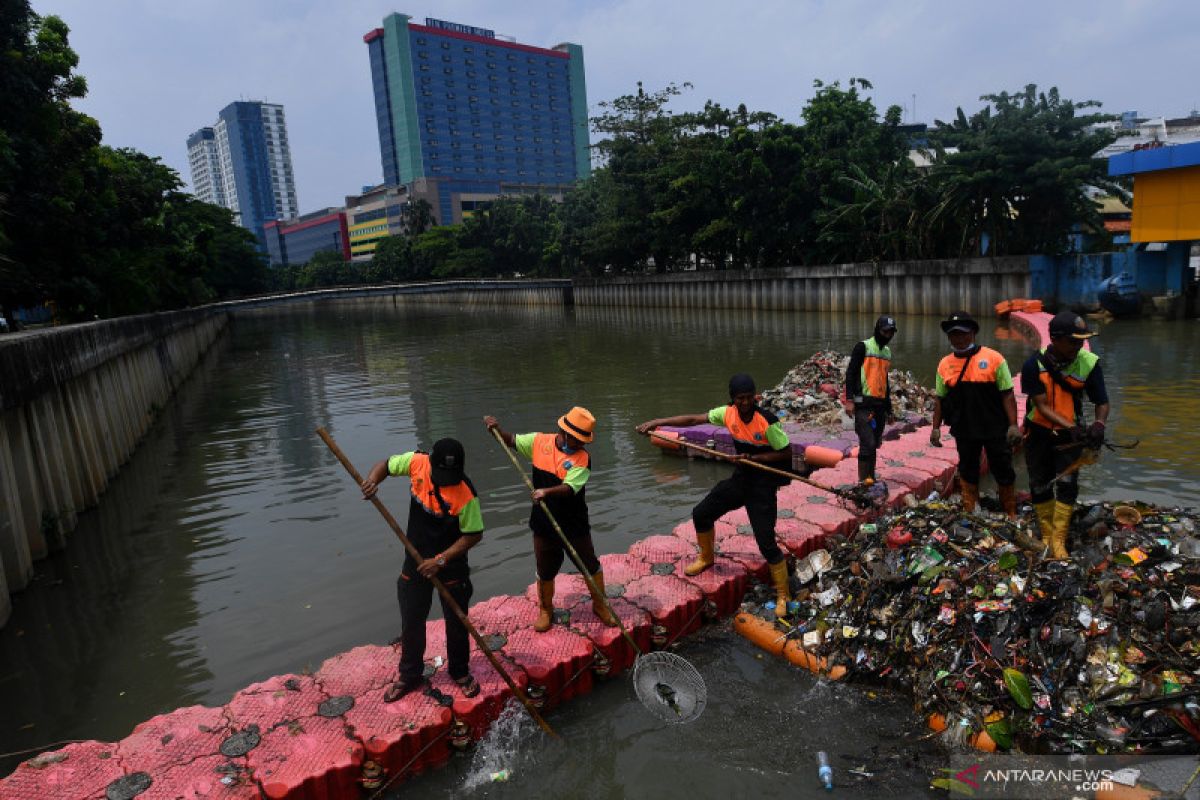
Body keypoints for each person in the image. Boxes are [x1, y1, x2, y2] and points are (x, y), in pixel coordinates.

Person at [636, 374, 794, 618]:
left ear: (756, 397)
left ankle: (783, 593)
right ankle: (706, 557)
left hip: (763, 484)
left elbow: (785, 454)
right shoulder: (727, 413)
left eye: (749, 398)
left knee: (766, 542)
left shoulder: (767, 421)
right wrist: (658, 422)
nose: (745, 403)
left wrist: (754, 458)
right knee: (701, 513)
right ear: (732, 400)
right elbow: (693, 419)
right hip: (741, 479)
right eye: (740, 399)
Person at [360, 438, 484, 702]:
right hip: (415, 560)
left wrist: (441, 560)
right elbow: (385, 465)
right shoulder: (417, 463)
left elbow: (473, 534)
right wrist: (373, 481)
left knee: (457, 620)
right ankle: (410, 674)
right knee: (412, 619)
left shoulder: (466, 493)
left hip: (451, 564)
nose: (445, 481)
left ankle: (460, 671)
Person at [484, 407, 618, 631]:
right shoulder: (539, 442)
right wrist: (496, 430)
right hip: (543, 521)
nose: (579, 445)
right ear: (563, 433)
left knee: (588, 563)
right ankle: (545, 609)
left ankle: (600, 605)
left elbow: (569, 488)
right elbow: (512, 441)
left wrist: (545, 492)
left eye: (582, 442)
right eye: (575, 441)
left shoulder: (582, 458)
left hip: (573, 522)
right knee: (545, 566)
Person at [1020, 311, 1110, 559]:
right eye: (1073, 341)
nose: (1078, 346)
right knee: (1039, 483)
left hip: (1071, 434)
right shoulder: (1033, 365)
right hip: (1038, 431)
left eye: (1082, 341)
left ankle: (1059, 538)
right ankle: (1046, 533)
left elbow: (1101, 401)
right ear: (1055, 339)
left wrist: (1099, 424)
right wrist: (1069, 426)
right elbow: (1042, 406)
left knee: (1068, 484)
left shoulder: (1089, 362)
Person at [928, 311, 1021, 517]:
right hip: (965, 428)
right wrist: (935, 428)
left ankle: (1011, 510)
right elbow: (940, 400)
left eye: (963, 334)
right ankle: (971, 508)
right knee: (968, 468)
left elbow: (1007, 394)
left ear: (973, 333)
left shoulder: (994, 358)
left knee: (1002, 467)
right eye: (953, 335)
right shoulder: (944, 364)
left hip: (995, 426)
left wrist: (1013, 424)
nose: (958, 339)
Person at [845, 315, 897, 484]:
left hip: (879, 406)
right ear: (877, 330)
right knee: (867, 442)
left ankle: (871, 478)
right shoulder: (863, 347)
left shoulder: (887, 352)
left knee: (874, 443)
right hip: (863, 403)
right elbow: (851, 373)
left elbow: (885, 381)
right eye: (885, 332)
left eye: (891, 333)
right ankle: (862, 481)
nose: (888, 335)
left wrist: (889, 410)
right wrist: (850, 400)